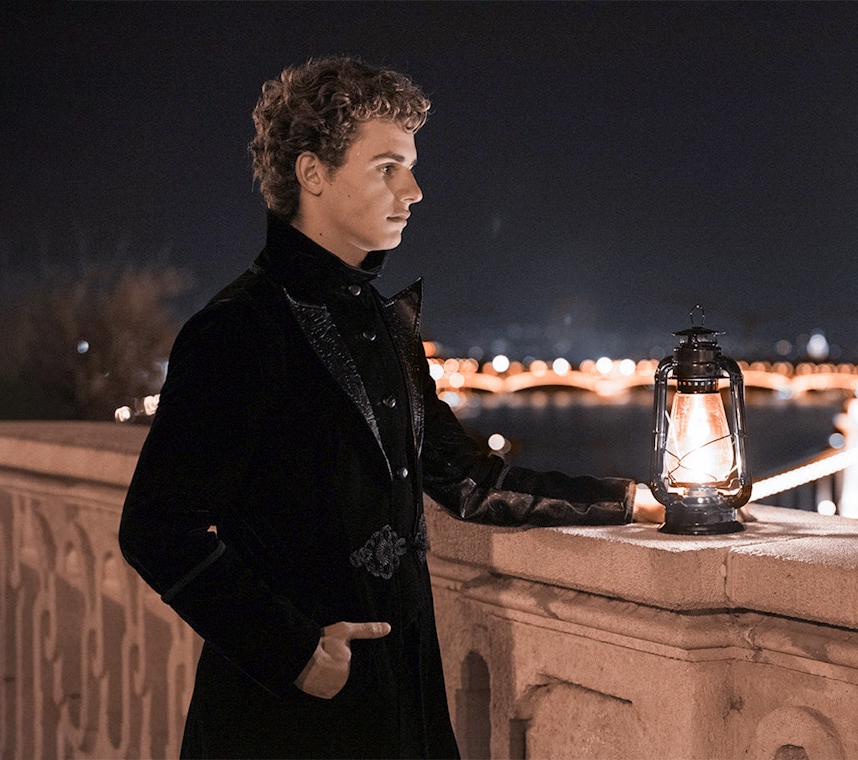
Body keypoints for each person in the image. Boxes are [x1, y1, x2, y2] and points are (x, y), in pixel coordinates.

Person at [119, 56, 661, 759]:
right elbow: (157, 528)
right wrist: (293, 653)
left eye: (410, 167)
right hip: (284, 718)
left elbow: (469, 481)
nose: (414, 190)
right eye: (387, 168)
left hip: (402, 695)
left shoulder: (385, 327)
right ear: (312, 174)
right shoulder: (238, 329)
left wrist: (631, 501)